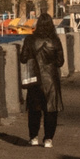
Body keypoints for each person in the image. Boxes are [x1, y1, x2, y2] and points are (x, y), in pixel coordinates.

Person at [18, 10, 66, 149]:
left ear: (38, 25)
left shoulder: (30, 40)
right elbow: (60, 62)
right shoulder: (55, 41)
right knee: (51, 110)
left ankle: (33, 137)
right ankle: (48, 139)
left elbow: (23, 59)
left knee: (34, 110)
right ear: (51, 25)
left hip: (35, 79)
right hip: (51, 80)